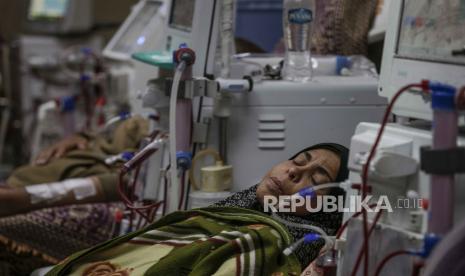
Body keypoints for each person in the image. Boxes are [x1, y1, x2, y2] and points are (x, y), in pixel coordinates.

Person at [47, 143, 349, 275]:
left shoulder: (267, 243)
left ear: (329, 209)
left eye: (317, 178)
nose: (294, 173)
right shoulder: (232, 211)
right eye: (297, 161)